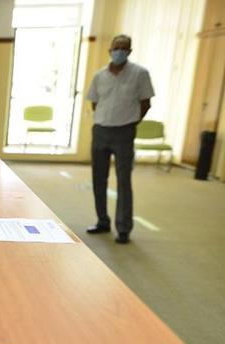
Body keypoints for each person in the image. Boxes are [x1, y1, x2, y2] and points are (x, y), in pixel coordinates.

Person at [86, 34, 154, 244]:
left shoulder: (140, 74)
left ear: (130, 51)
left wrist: (130, 122)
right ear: (110, 50)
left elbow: (145, 103)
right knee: (99, 178)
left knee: (123, 181)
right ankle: (102, 221)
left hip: (124, 132)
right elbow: (95, 103)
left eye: (124, 48)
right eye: (116, 47)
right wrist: (105, 119)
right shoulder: (99, 76)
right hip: (101, 130)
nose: (119, 51)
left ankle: (123, 228)